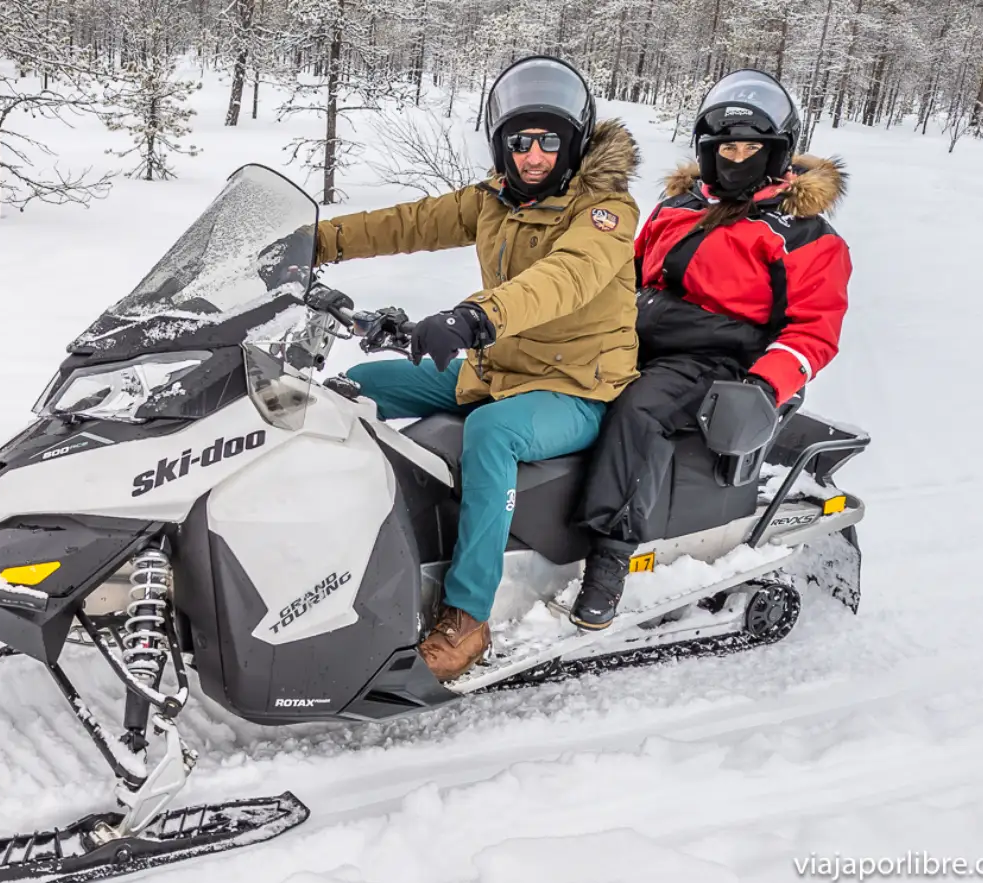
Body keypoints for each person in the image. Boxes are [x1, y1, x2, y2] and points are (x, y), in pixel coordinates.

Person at [312, 55, 642, 682]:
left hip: (576, 386)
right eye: (521, 142)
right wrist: (314, 241)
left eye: (550, 142)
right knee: (358, 388)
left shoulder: (604, 212)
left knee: (492, 434)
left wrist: (473, 318)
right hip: (501, 368)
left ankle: (467, 614)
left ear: (572, 144)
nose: (535, 157)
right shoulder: (495, 198)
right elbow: (408, 222)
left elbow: (563, 278)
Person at [571, 69, 852, 629]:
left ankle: (609, 554)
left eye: (751, 147)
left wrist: (764, 384)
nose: (737, 157)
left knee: (639, 407)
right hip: (634, 334)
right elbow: (627, 274)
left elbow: (814, 332)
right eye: (727, 146)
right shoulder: (678, 205)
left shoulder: (803, 235)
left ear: (776, 154)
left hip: (715, 362)